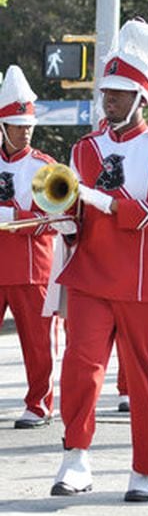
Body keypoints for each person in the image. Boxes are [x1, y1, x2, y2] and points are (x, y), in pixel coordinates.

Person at [51, 20, 148, 501]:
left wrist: (113, 205)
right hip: (90, 274)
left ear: (141, 97)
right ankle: (76, 459)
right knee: (79, 368)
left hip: (144, 280)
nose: (108, 100)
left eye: (118, 93)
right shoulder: (83, 148)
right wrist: (64, 219)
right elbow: (71, 205)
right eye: (106, 92)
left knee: (144, 377)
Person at [0, 65, 58, 429]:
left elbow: (53, 217)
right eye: (18, 126)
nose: (25, 132)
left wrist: (11, 213)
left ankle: (39, 404)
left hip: (32, 267)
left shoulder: (44, 166)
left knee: (38, 343)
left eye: (29, 126)